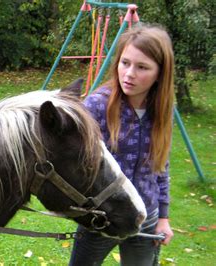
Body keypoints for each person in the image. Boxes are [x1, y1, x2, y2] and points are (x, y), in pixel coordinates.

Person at [69, 24, 175, 266]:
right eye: (125, 63)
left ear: (160, 72)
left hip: (145, 217)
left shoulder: (162, 111)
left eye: (142, 67)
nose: (129, 73)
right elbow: (75, 161)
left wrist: (164, 217)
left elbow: (161, 165)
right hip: (103, 216)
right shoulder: (96, 106)